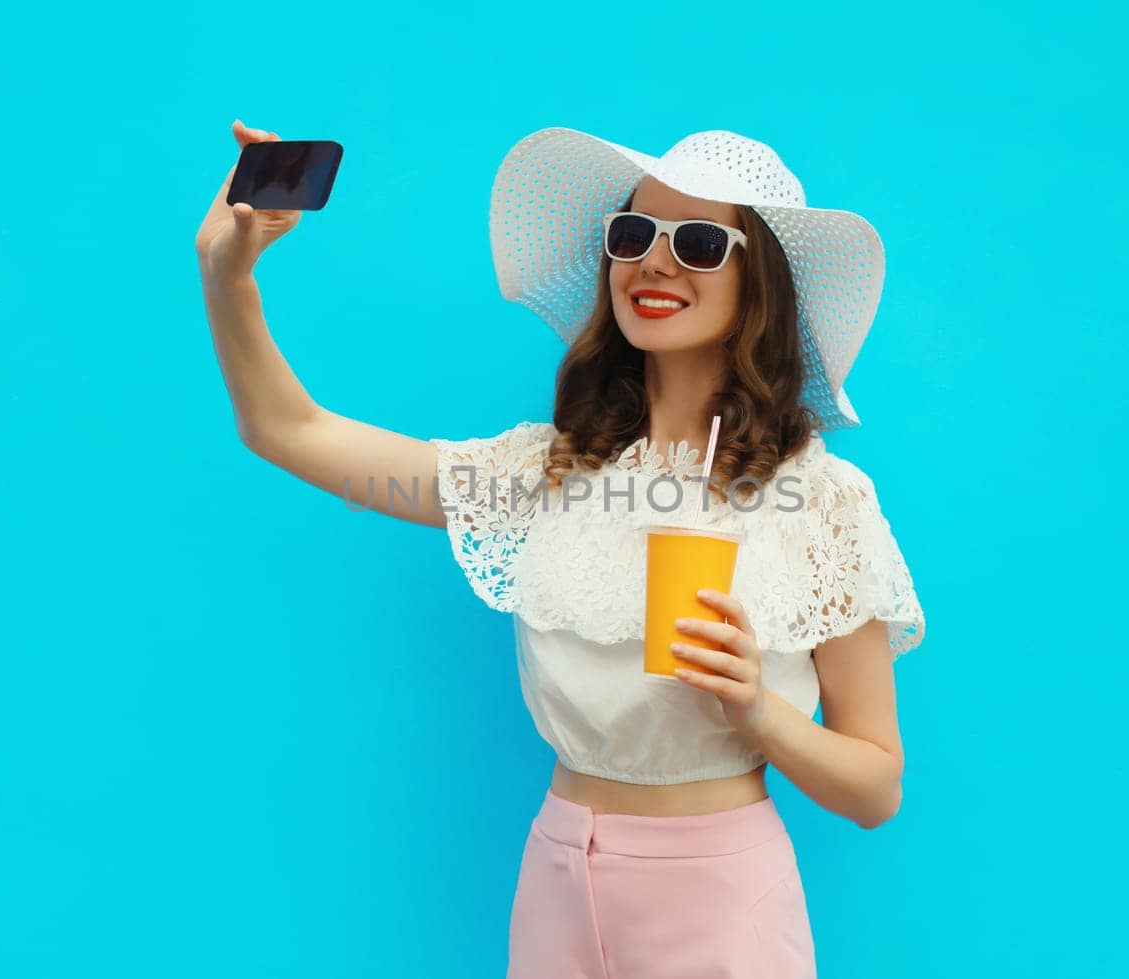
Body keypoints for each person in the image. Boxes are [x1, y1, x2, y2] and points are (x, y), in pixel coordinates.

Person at [195, 119, 926, 979]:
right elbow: (286, 429)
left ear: (757, 284)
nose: (654, 263)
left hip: (721, 895)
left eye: (697, 242)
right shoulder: (548, 471)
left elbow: (877, 788)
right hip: (555, 875)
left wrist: (758, 706)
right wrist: (227, 275)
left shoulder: (822, 501)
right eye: (632, 234)